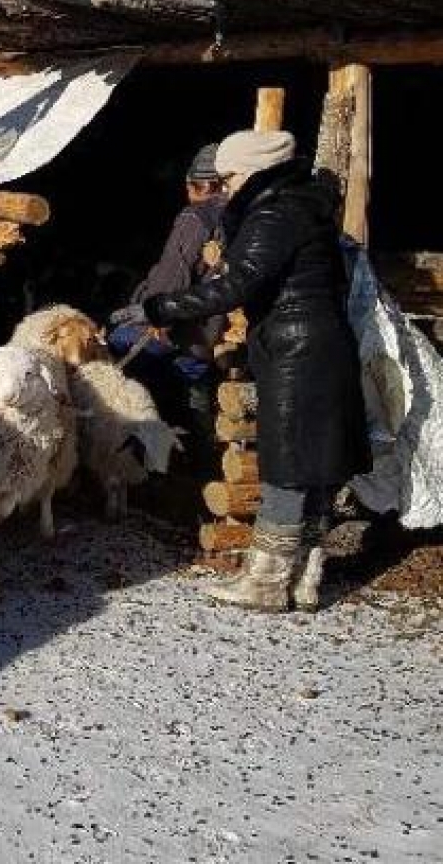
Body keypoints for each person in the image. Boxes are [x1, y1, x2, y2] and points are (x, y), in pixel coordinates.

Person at [136, 129, 370, 611]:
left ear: (253, 170)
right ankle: (304, 577)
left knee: (287, 465)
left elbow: (236, 286)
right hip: (317, 343)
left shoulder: (273, 213)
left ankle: (265, 581)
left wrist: (163, 306)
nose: (224, 186)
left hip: (296, 351)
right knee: (314, 465)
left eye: (229, 176)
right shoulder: (302, 204)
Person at [108, 143, 227, 471]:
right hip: (210, 337)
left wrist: (152, 312)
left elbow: (172, 276)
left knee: (115, 348)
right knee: (189, 385)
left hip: (183, 333)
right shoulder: (243, 215)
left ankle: (129, 459)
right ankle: (200, 457)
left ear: (193, 186)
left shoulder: (196, 217)